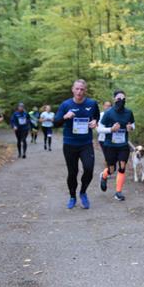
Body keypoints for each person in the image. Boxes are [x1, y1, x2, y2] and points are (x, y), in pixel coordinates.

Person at [54, 79, 100, 209]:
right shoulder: (65, 105)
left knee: (89, 169)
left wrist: (95, 122)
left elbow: (96, 116)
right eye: (77, 89)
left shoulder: (92, 103)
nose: (79, 92)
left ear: (85, 91)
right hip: (70, 144)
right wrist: (65, 117)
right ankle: (72, 196)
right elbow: (55, 122)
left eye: (82, 89)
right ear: (72, 90)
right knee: (72, 172)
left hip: (86, 143)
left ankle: (83, 192)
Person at [98, 90, 135, 201]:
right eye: (119, 99)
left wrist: (130, 128)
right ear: (114, 99)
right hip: (110, 145)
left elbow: (133, 125)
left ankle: (118, 192)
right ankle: (104, 176)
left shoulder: (129, 112)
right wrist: (111, 129)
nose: (121, 101)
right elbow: (99, 129)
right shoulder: (108, 113)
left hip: (123, 145)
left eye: (123, 99)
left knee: (122, 166)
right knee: (112, 169)